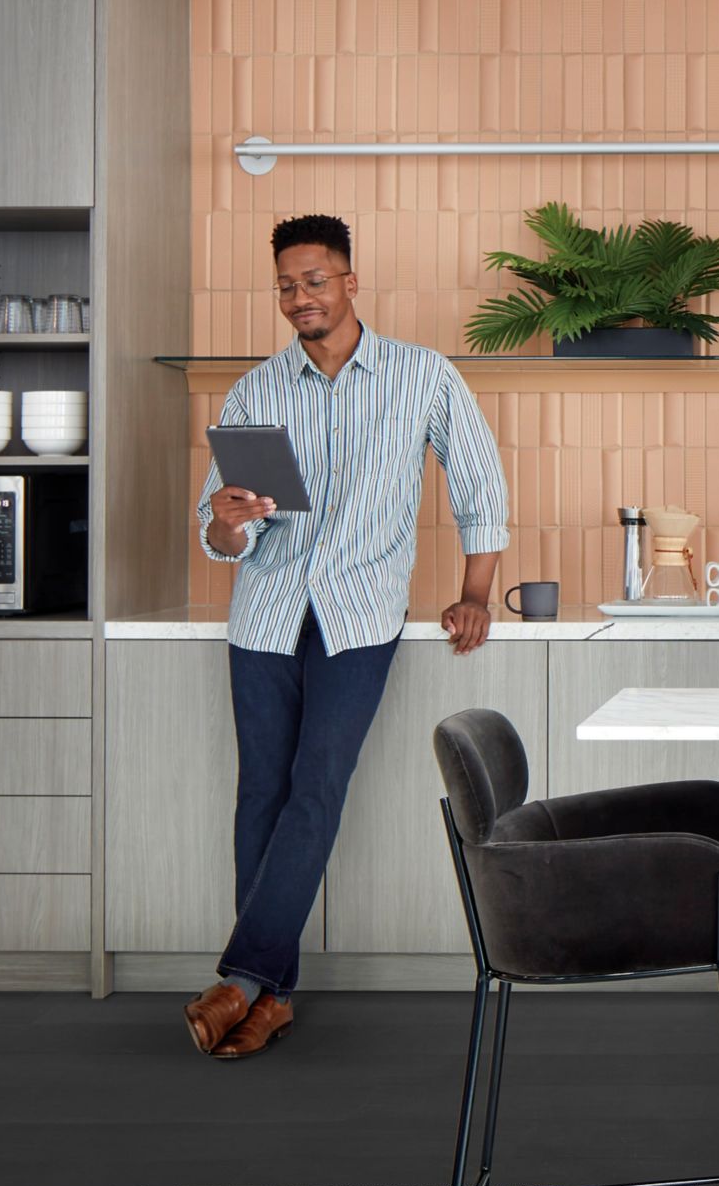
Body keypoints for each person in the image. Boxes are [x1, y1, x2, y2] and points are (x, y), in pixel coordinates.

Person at [185, 215, 510, 1061]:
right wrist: (226, 523)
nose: (301, 298)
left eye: (315, 281)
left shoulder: (421, 376)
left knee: (316, 787)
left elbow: (479, 485)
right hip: (263, 616)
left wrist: (475, 593)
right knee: (261, 793)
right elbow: (224, 533)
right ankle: (270, 998)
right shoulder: (257, 391)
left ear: (350, 281)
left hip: (357, 619)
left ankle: (241, 980)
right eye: (287, 286)